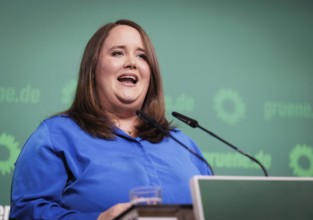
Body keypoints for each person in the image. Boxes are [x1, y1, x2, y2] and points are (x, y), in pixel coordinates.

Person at [9, 19, 213, 220]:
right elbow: (26, 213)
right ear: (93, 70)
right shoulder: (55, 136)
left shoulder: (184, 145)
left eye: (142, 56)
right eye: (118, 53)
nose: (132, 63)